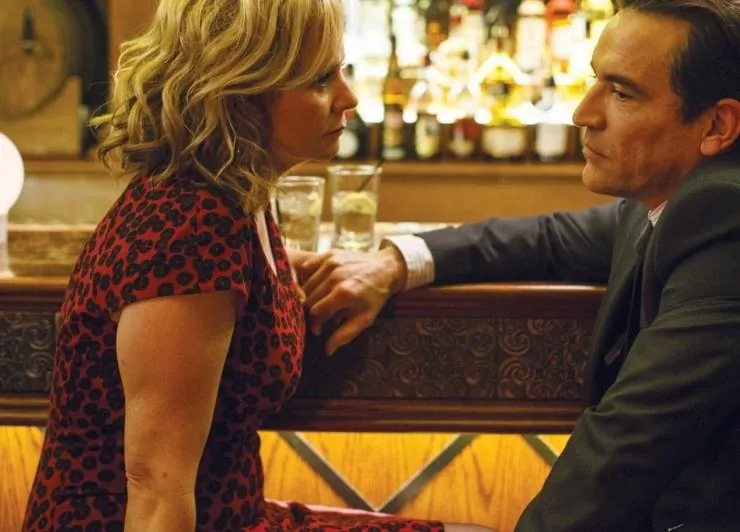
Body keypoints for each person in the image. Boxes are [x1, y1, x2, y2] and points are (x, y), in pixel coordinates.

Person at [22, 1, 492, 531]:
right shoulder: (190, 224)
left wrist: (330, 272)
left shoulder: (235, 197)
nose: (349, 98)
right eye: (320, 79)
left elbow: (232, 290)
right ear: (241, 91)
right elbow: (156, 489)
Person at [293, 0, 740, 530]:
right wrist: (396, 262)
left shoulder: (722, 214)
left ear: (717, 125)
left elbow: (630, 441)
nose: (583, 113)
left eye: (622, 93)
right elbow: (549, 239)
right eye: (594, 82)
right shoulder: (671, 203)